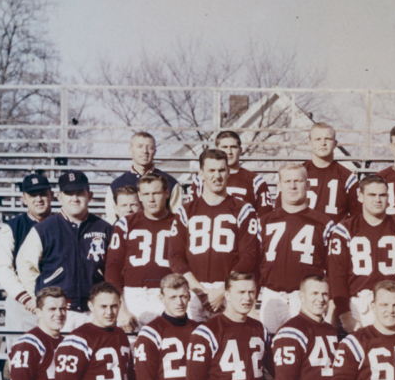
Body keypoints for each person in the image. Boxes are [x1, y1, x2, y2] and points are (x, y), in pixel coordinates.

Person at [170, 149, 261, 322]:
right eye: (211, 170)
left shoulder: (243, 209)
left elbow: (249, 256)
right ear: (201, 174)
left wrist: (222, 290)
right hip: (194, 290)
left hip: (228, 290)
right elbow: (175, 256)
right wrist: (199, 291)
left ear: (228, 172)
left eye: (221, 170)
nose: (217, 176)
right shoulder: (186, 210)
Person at [16, 170, 112, 331]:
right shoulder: (44, 229)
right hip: (59, 312)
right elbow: (25, 265)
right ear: (60, 197)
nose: (74, 198)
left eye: (80, 193)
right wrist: (39, 298)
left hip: (94, 310)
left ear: (90, 195)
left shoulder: (105, 228)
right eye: (69, 193)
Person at [327, 175, 395, 331]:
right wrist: (345, 314)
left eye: (382, 195)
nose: (378, 199)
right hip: (358, 304)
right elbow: (337, 274)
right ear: (360, 196)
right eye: (372, 195)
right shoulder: (344, 229)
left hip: (392, 304)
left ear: (388, 197)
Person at [257, 163, 334, 335]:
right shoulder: (264, 222)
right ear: (279, 185)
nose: (292, 186)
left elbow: (334, 268)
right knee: (269, 349)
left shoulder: (324, 223)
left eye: (298, 181)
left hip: (306, 296)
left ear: (307, 185)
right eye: (287, 181)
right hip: (272, 295)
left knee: (307, 345)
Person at [106, 173, 178, 331]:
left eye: (156, 193)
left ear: (166, 193)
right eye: (146, 194)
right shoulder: (126, 223)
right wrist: (121, 308)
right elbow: (113, 267)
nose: (151, 199)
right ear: (139, 195)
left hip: (168, 294)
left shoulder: (179, 222)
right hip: (133, 296)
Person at [0, 172, 54, 332]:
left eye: (43, 194)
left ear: (52, 195)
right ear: (24, 199)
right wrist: (26, 298)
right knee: (22, 353)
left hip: (56, 302)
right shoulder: (12, 227)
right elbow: (2, 268)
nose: (38, 199)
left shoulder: (62, 224)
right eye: (33, 195)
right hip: (23, 302)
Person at [187, 130, 273, 214]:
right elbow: (191, 212)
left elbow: (265, 218)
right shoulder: (202, 179)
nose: (229, 152)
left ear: (240, 150)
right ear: (216, 149)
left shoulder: (255, 181)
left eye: (233, 147)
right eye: (224, 147)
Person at [108, 131, 181, 220]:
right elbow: (111, 221)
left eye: (149, 147)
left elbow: (177, 219)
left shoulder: (170, 183)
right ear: (130, 150)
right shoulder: (116, 185)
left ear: (154, 151)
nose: (145, 151)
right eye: (140, 146)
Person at [298, 122, 357, 223]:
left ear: (335, 143)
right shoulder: (298, 173)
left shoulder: (347, 177)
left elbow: (357, 216)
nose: (323, 143)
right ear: (310, 144)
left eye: (328, 139)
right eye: (318, 139)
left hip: (335, 235)